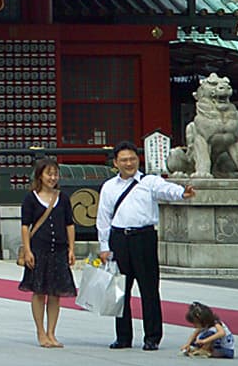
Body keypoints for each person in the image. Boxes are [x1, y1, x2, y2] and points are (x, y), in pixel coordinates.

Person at [97, 140, 195, 351]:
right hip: (119, 239)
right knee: (120, 290)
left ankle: (152, 337)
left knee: (149, 289)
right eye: (124, 160)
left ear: (138, 159)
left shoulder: (148, 181)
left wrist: (181, 193)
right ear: (116, 163)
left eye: (132, 159)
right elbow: (103, 218)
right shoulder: (109, 187)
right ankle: (123, 337)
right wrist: (104, 246)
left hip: (144, 238)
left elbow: (165, 189)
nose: (129, 163)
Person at [17, 157, 76, 347]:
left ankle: (52, 332)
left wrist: (71, 248)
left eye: (55, 174)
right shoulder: (30, 198)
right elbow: (25, 226)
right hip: (38, 250)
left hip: (59, 250)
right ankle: (40, 332)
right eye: (48, 174)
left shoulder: (63, 198)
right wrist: (27, 250)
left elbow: (69, 224)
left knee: (55, 293)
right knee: (39, 291)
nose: (52, 177)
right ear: (40, 176)